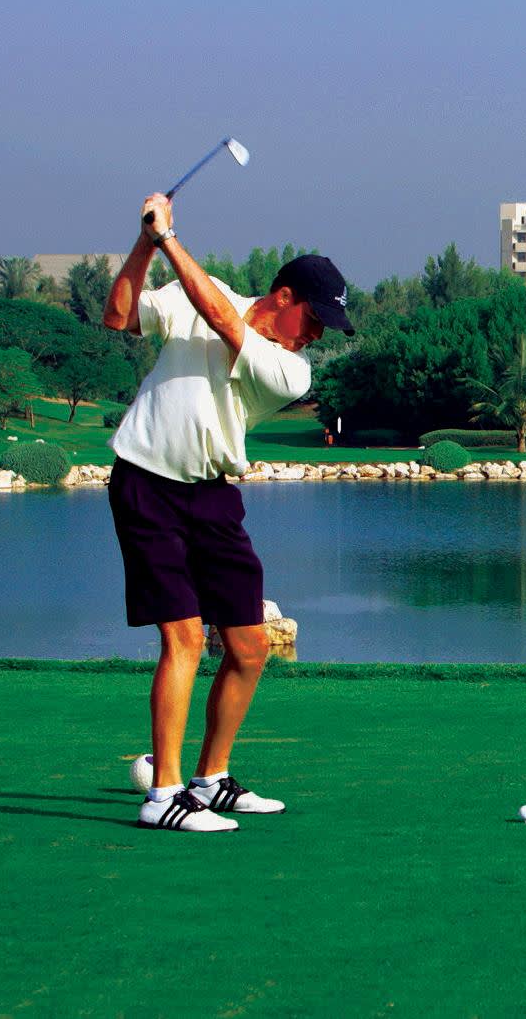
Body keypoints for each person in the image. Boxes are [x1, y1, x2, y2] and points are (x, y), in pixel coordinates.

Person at [101, 193, 353, 832]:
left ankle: (211, 780)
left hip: (212, 496)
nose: (319, 334)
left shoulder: (291, 372)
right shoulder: (199, 288)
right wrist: (144, 242)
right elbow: (119, 316)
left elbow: (220, 319)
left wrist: (169, 240)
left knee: (248, 646)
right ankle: (164, 794)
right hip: (146, 484)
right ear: (285, 295)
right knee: (183, 636)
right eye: (316, 318)